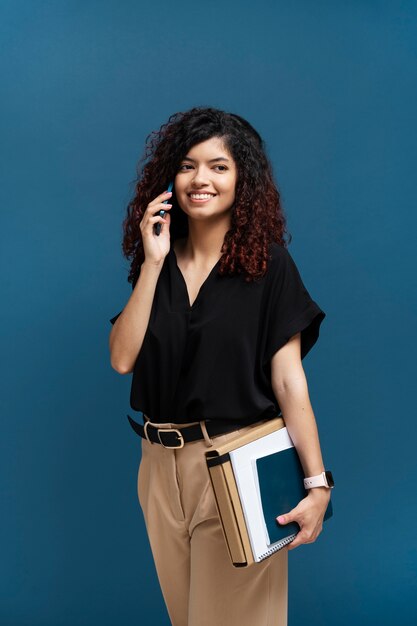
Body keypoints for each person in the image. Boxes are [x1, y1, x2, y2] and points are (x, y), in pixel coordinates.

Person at [109, 107, 333, 626]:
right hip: (158, 467)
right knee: (187, 619)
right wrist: (152, 262)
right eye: (188, 166)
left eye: (219, 166)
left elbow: (288, 380)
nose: (200, 179)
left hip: (237, 462)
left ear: (243, 180)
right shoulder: (157, 262)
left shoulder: (269, 267)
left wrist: (318, 485)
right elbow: (122, 359)